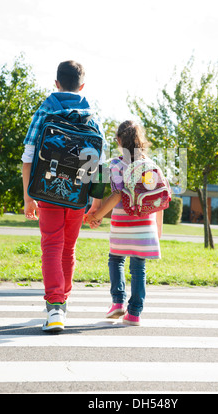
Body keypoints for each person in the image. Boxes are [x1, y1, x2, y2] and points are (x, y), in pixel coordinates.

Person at [22, 60, 105, 332]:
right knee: (68, 248)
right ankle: (62, 301)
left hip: (47, 191)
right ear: (82, 86)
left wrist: (28, 197)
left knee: (51, 246)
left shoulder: (45, 110)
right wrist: (96, 203)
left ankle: (55, 306)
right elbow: (99, 165)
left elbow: (28, 157)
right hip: (78, 194)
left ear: (56, 83)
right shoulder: (93, 116)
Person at [84, 120, 163, 326]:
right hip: (146, 227)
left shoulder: (116, 164)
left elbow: (117, 195)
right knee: (139, 268)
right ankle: (135, 313)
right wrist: (158, 231)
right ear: (141, 141)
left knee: (116, 260)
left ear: (119, 140)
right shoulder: (152, 165)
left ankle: (117, 302)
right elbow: (161, 199)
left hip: (123, 226)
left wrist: (96, 215)